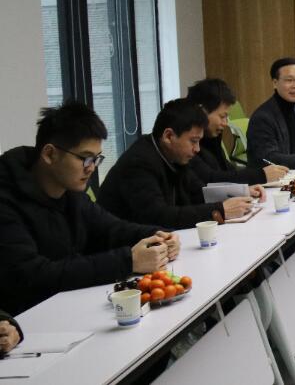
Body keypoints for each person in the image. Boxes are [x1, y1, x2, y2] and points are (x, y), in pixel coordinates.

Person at [0, 102, 177, 316]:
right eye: (85, 158)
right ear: (49, 154)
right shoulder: (7, 199)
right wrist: (128, 261)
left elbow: (112, 229)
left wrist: (158, 235)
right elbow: (34, 276)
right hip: (28, 320)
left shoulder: (71, 192)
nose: (91, 167)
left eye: (96, 159)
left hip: (71, 307)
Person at [99, 99, 263, 230]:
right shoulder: (138, 163)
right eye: (193, 141)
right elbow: (159, 216)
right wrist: (219, 210)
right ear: (169, 136)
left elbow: (198, 191)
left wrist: (241, 192)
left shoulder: (174, 155)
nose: (197, 149)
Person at [186, 78, 288, 185]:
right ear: (202, 111)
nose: (225, 123)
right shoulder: (188, 144)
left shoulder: (211, 137)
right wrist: (260, 175)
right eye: (222, 116)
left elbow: (226, 171)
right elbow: (210, 178)